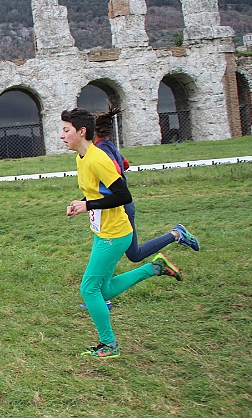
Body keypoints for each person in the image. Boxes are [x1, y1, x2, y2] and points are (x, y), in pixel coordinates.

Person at [61, 108, 183, 358]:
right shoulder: (82, 158)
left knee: (89, 289)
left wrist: (88, 205)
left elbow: (123, 195)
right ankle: (155, 268)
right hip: (104, 232)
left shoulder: (98, 159)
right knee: (103, 290)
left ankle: (109, 345)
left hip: (114, 235)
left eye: (66, 130)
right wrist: (81, 203)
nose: (61, 136)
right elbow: (99, 193)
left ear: (81, 132)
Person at [93, 108, 199, 263]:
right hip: (119, 204)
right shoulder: (107, 145)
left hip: (121, 204)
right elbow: (125, 164)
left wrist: (106, 178)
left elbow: (117, 169)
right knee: (125, 251)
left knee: (134, 254)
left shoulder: (101, 148)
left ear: (95, 131)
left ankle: (177, 234)